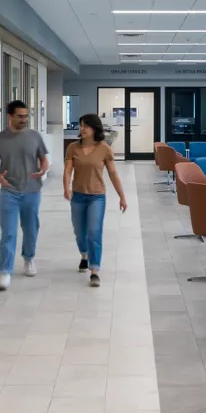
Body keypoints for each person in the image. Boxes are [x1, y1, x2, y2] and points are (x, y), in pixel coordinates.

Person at [0, 100, 49, 290]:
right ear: (10, 117)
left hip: (32, 191)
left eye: (25, 116)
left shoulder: (35, 136)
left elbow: (44, 160)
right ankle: (5, 271)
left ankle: (29, 258)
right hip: (9, 192)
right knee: (9, 233)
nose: (24, 120)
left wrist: (42, 171)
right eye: (20, 116)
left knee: (31, 229)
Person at [63, 113, 127, 288]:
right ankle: (84, 254)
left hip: (97, 197)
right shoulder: (73, 148)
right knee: (79, 232)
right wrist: (66, 187)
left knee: (94, 231)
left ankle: (95, 270)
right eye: (81, 125)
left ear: (95, 128)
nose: (82, 128)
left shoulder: (104, 148)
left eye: (86, 126)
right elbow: (68, 170)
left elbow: (113, 174)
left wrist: (122, 196)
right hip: (78, 196)